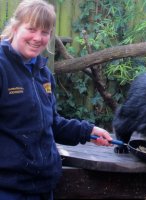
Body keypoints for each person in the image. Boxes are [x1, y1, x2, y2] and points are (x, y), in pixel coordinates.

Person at [0, 0, 113, 199]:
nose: (38, 38)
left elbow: (50, 124)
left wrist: (88, 131)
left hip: (43, 185)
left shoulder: (43, 72)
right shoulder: (3, 67)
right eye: (31, 29)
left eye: (45, 32)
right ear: (15, 27)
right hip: (8, 188)